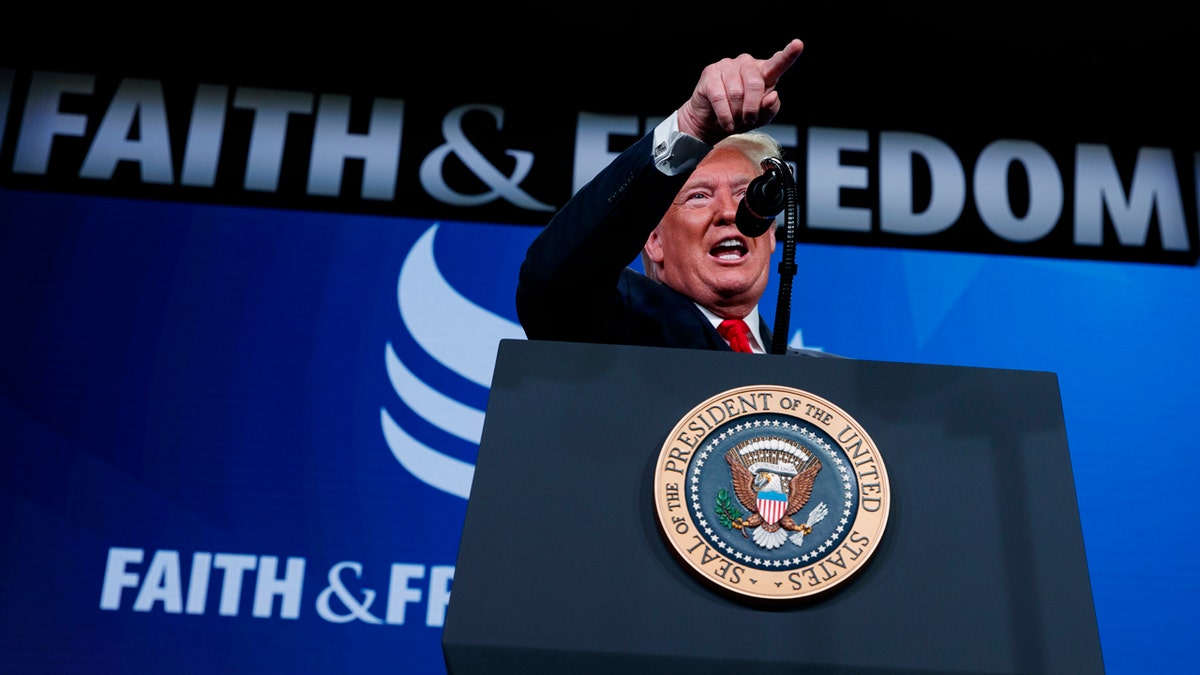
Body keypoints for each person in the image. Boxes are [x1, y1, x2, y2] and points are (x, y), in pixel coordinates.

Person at [516, 39, 837, 357]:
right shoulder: (611, 326)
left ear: (769, 235)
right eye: (699, 196)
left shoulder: (819, 382)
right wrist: (691, 128)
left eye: (744, 194)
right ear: (653, 240)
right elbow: (551, 280)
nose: (727, 211)